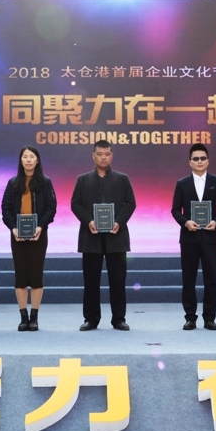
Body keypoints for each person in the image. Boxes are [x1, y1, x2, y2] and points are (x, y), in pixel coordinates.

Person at [70, 139, 136, 331]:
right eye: (99, 154)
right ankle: (91, 319)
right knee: (91, 281)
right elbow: (75, 204)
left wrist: (119, 222)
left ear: (112, 156)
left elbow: (130, 203)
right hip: (91, 237)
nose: (103, 158)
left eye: (107, 154)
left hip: (117, 237)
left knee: (118, 281)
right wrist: (88, 221)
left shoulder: (122, 179)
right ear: (93, 156)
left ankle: (119, 319)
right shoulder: (82, 180)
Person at [170, 143, 216, 331]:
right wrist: (186, 222)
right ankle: (190, 317)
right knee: (189, 279)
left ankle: (209, 318)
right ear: (190, 162)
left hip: (212, 238)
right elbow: (175, 210)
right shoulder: (182, 184)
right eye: (195, 159)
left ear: (208, 161)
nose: (199, 161)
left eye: (203, 158)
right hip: (189, 238)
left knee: (211, 279)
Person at [1, 146, 57, 332]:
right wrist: (13, 228)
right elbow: (6, 208)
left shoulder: (45, 182)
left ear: (37, 160)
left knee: (36, 275)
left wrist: (40, 226)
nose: (28, 160)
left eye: (31, 156)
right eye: (24, 157)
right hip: (17, 236)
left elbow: (51, 208)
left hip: (39, 235)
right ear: (21, 160)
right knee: (20, 275)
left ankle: (34, 317)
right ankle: (23, 317)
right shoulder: (13, 183)